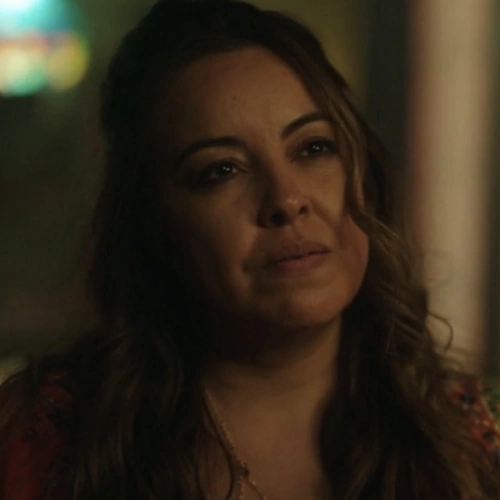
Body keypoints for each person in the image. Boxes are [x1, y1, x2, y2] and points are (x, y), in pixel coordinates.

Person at [0, 1, 499, 498]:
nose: (286, 199)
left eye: (314, 148)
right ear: (154, 226)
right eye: (221, 170)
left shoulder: (474, 440)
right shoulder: (45, 440)